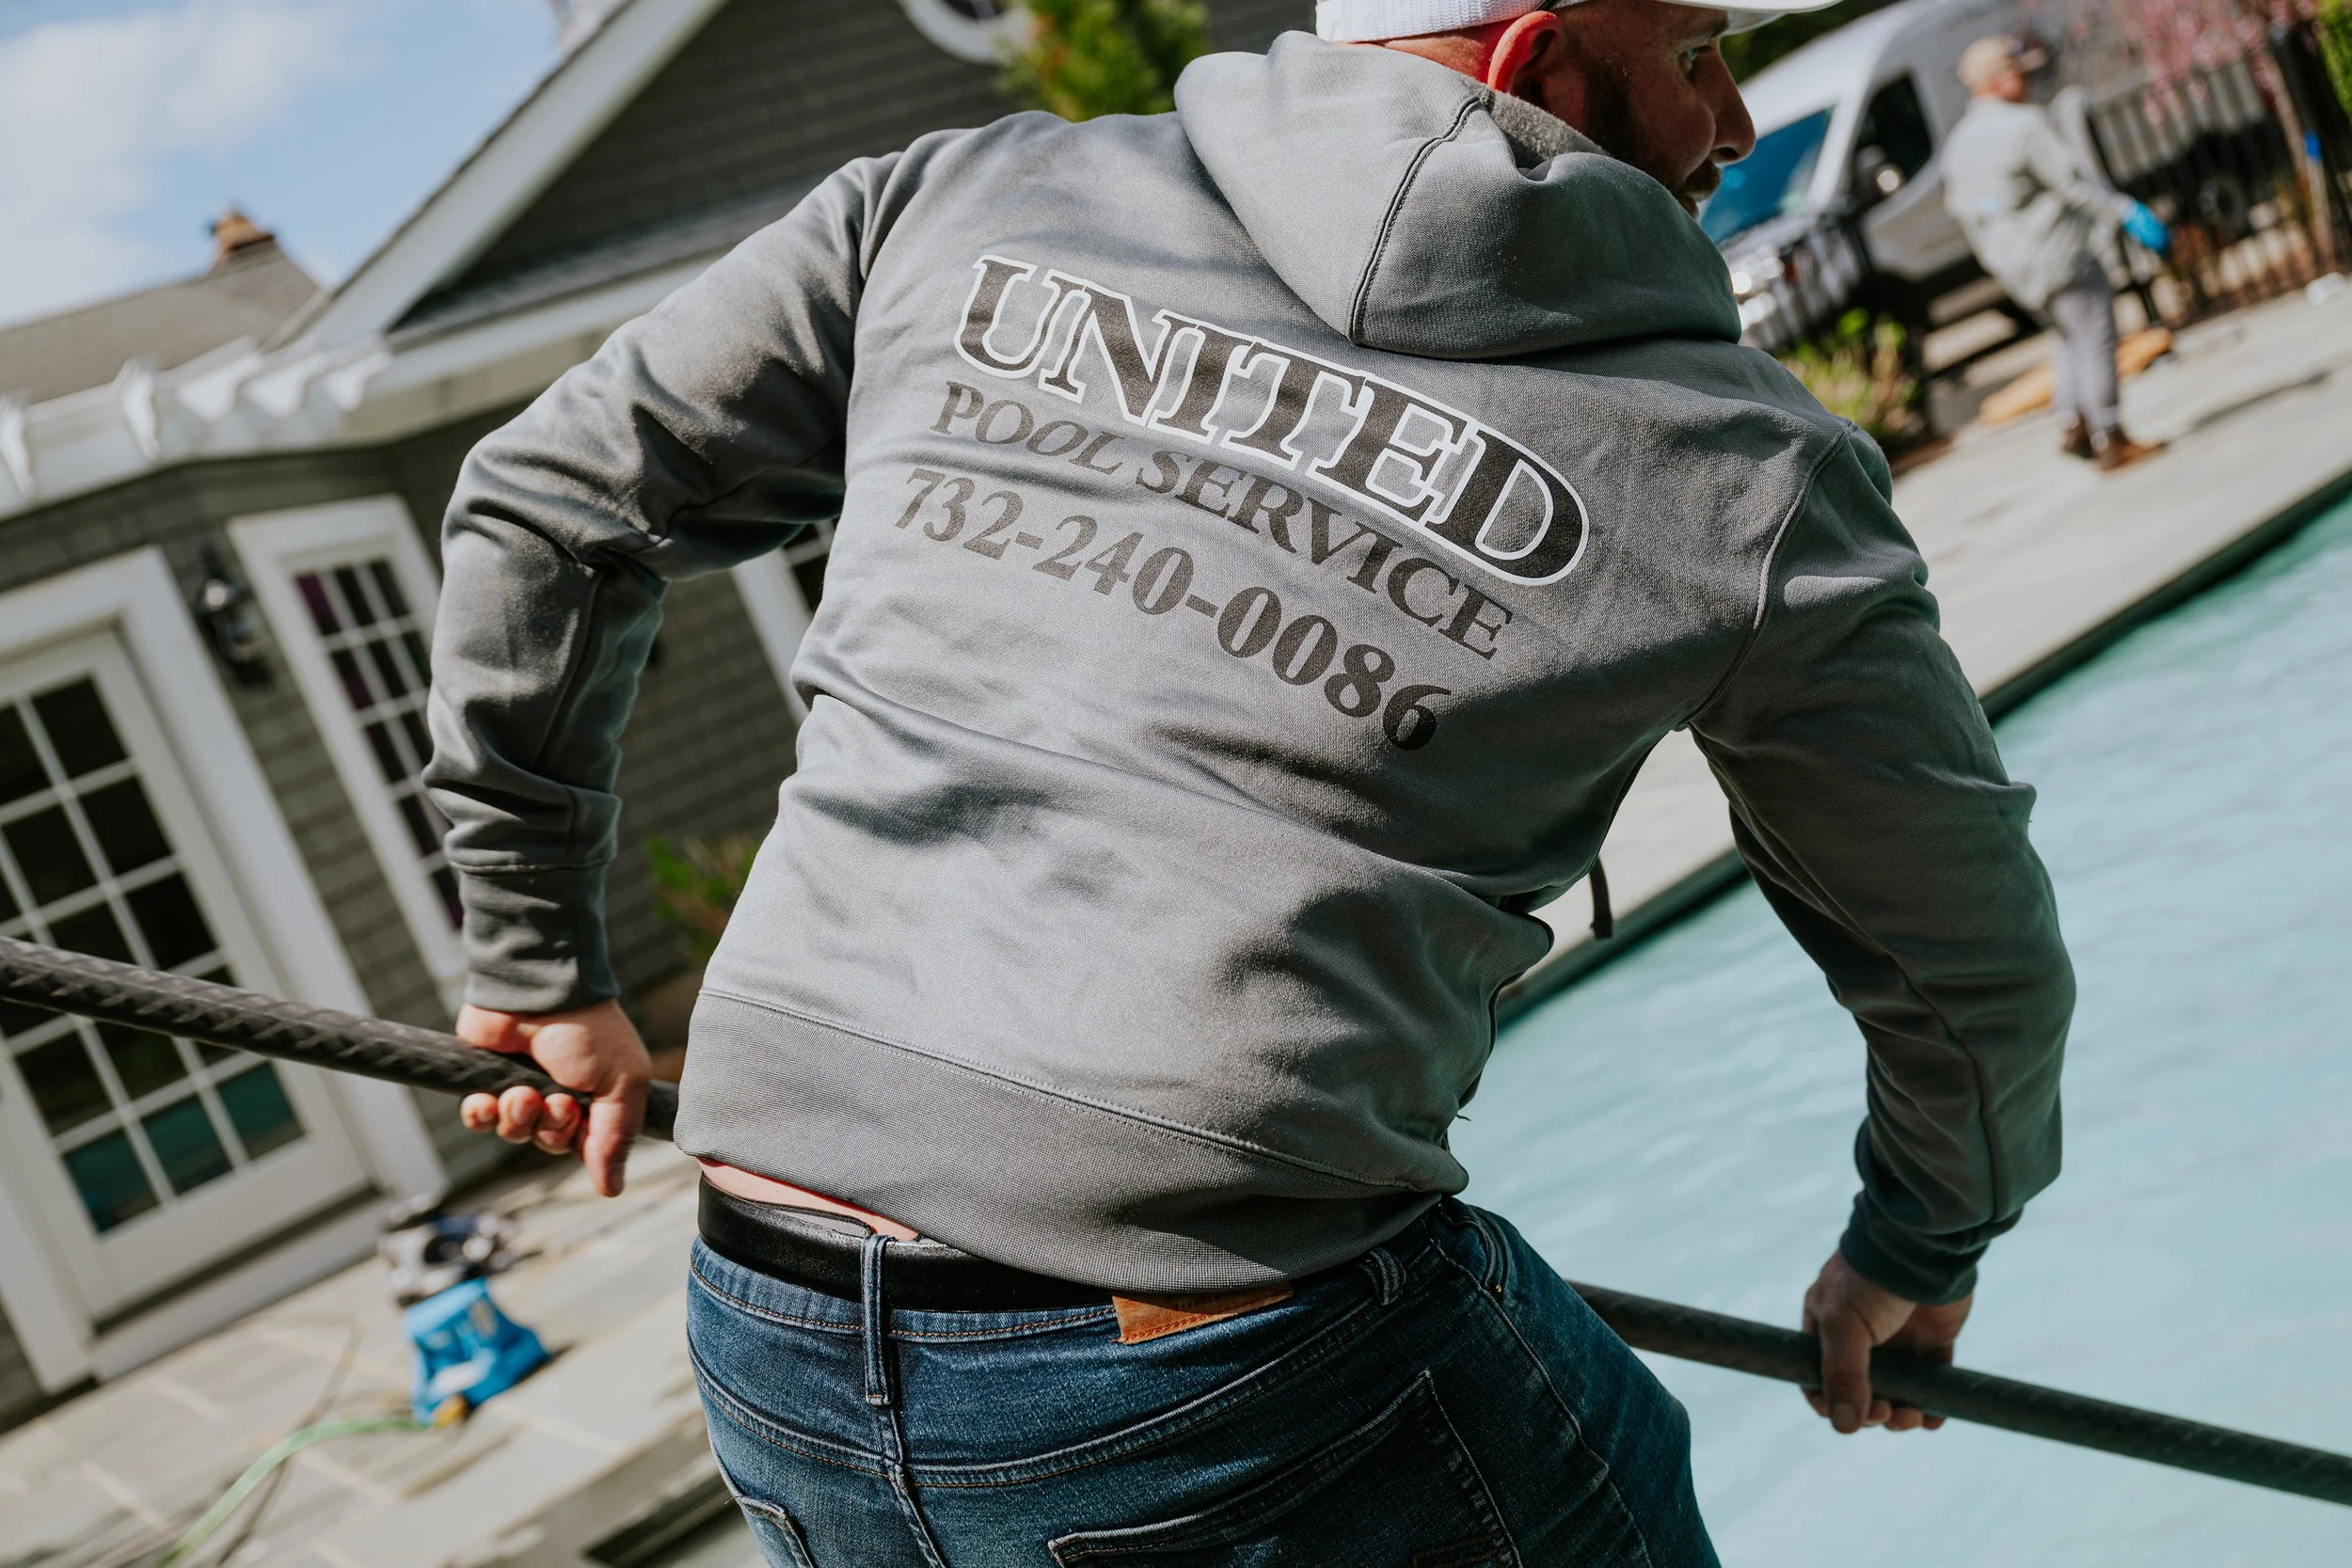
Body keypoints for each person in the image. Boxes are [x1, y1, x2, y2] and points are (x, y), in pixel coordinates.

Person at [426, 2, 2075, 1561]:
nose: (1730, 114)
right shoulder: (1746, 468)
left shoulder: (960, 198)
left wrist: (535, 959)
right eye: (1700, 49)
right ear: (1538, 60)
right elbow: (1961, 949)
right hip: (1216, 1365)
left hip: (768, 1317)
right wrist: (1918, 1248)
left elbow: (555, 497)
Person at [1945, 32, 2167, 471]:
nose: (2026, 80)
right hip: (2061, 254)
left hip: (2015, 267)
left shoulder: (1958, 144)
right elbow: (2074, 186)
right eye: (2018, 72)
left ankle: (2074, 424)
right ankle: (2110, 436)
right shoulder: (2024, 125)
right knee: (2096, 339)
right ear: (1998, 79)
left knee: (2069, 339)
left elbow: (1965, 213)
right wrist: (2127, 212)